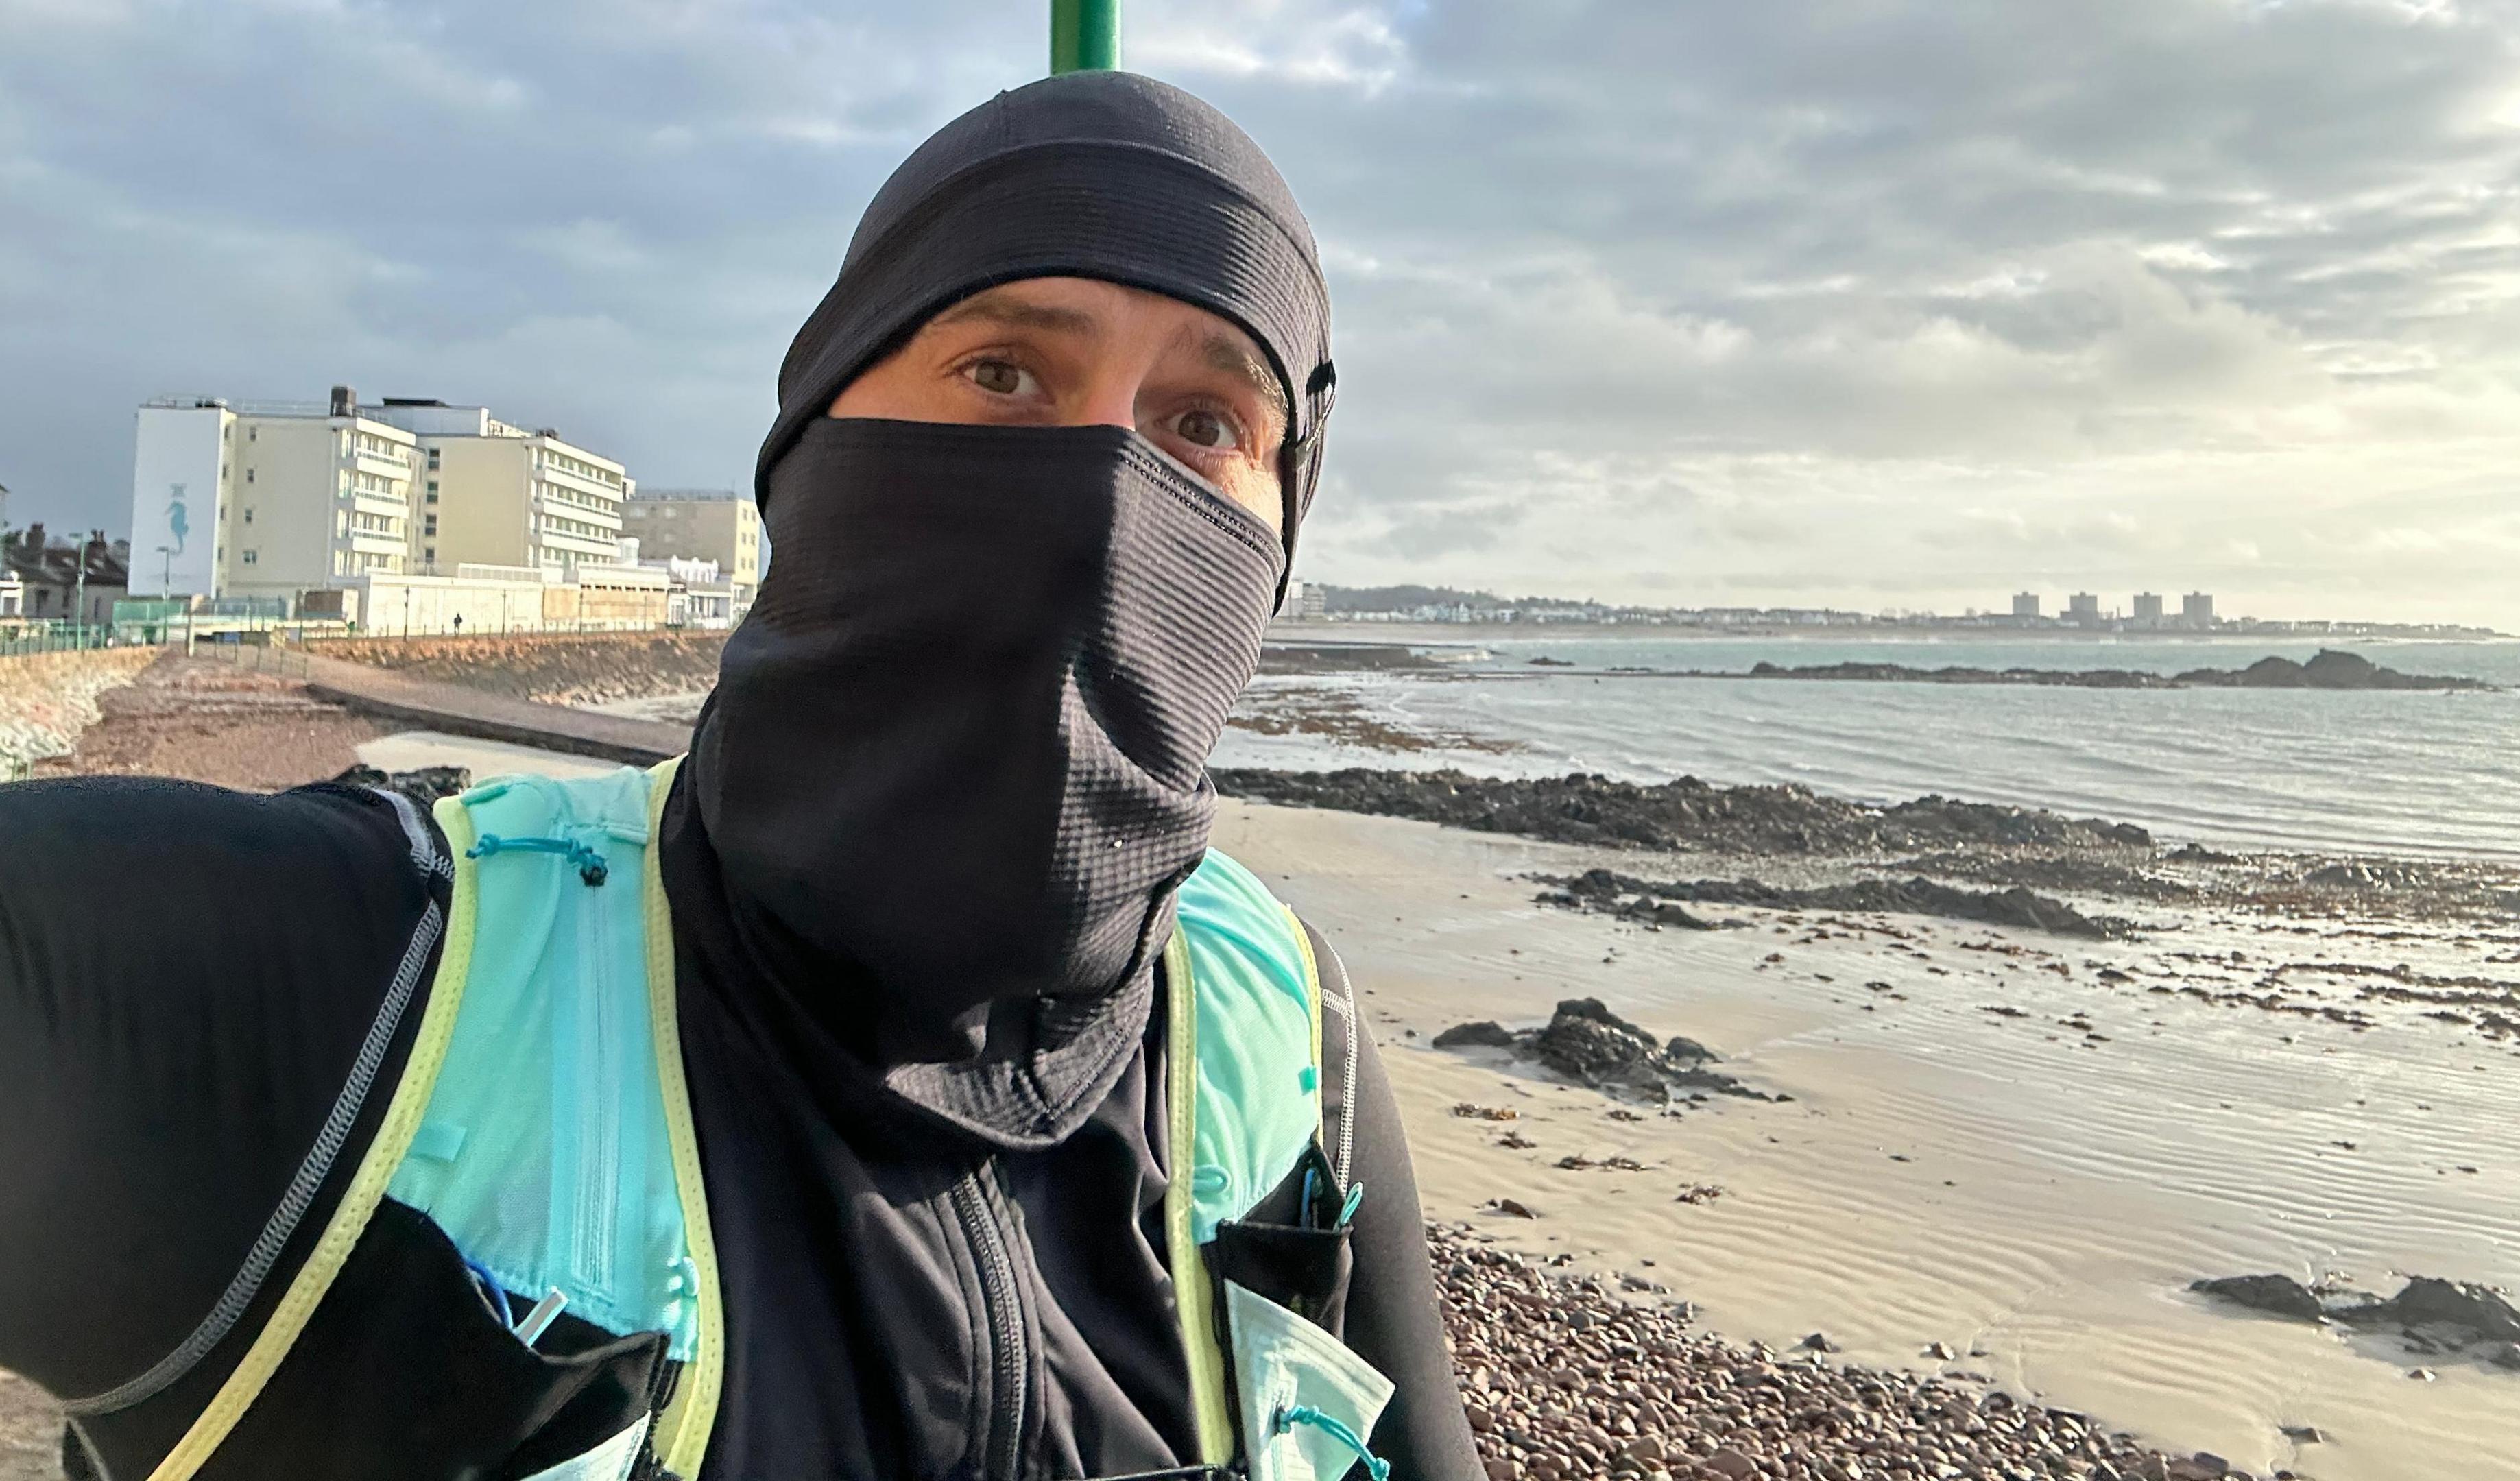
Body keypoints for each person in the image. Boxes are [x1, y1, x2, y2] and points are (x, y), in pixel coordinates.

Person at [0, 71, 1487, 1481]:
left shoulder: (1283, 1041)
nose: (1106, 496)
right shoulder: (344, 999)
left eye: (1207, 423)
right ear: (814, 446)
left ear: (1279, 528)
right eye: (1006, 372)